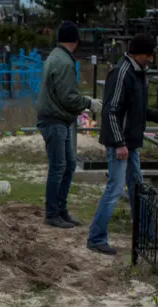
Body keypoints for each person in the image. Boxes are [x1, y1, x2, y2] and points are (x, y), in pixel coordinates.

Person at [88, 34, 158, 255]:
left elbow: (136, 108)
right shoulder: (122, 73)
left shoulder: (139, 73)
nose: (151, 58)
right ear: (140, 54)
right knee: (115, 190)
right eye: (149, 54)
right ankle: (96, 237)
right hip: (121, 143)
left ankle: (145, 233)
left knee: (138, 188)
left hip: (131, 143)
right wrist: (119, 143)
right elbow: (111, 111)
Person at [36, 21, 103, 229]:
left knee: (69, 165)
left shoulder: (55, 56)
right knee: (59, 167)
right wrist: (89, 103)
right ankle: (52, 213)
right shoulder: (64, 62)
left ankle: (60, 209)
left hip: (57, 119)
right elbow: (68, 97)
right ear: (75, 40)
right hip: (54, 120)